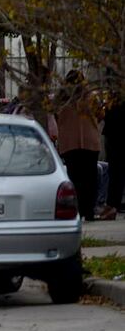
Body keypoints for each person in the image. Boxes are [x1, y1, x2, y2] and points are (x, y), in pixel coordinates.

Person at [56, 70, 101, 221]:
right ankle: (89, 211)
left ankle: (77, 210)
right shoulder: (91, 98)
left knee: (75, 178)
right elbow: (101, 115)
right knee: (90, 178)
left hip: (70, 144)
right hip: (89, 142)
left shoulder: (61, 100)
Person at [101, 96, 124, 220]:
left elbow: (107, 114)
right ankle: (114, 204)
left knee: (115, 171)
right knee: (116, 172)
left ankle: (112, 205)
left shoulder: (115, 96)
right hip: (116, 132)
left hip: (114, 134)